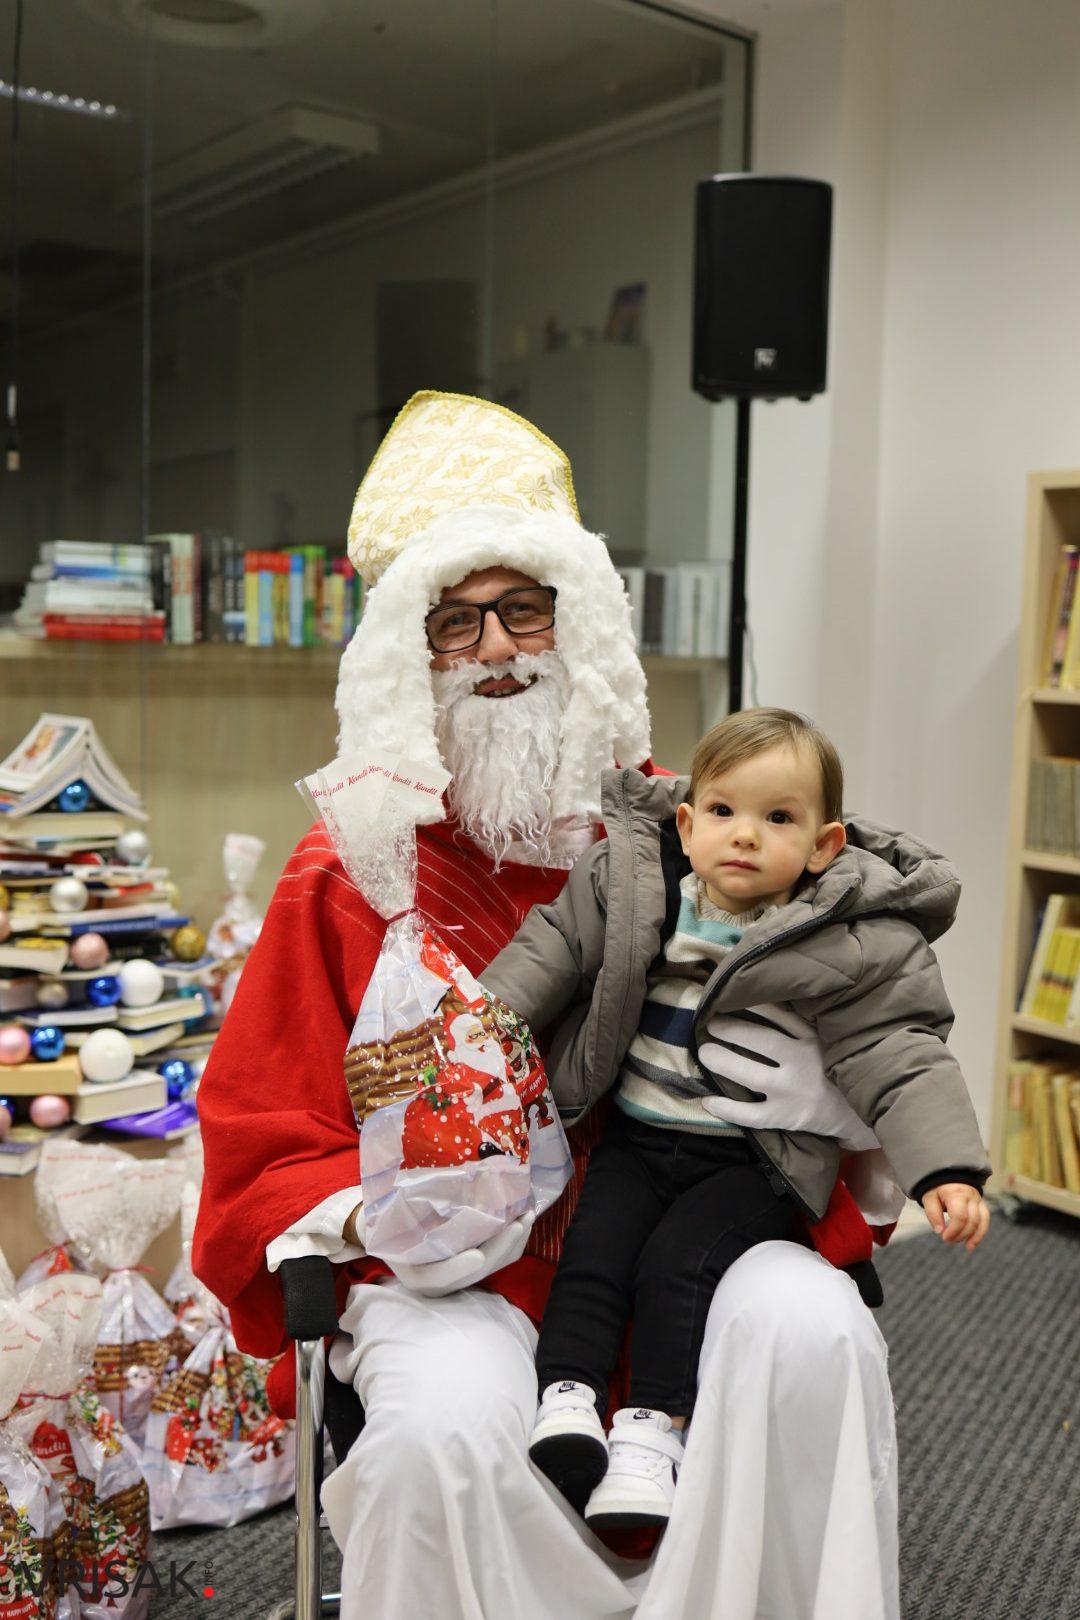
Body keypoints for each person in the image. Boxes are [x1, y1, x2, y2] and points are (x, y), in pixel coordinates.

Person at [193, 392, 903, 1620]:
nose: (501, 648)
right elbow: (264, 1128)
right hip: (460, 1278)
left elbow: (870, 951)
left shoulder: (693, 828)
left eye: (526, 609)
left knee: (815, 1333)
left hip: (693, 1210)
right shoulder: (348, 872)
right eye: (455, 622)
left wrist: (841, 1103)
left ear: (580, 631)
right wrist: (385, 1210)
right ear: (407, 661)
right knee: (436, 1434)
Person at [481, 707, 991, 1531]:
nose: (744, 836)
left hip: (753, 1162)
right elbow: (551, 949)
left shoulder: (856, 936)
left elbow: (902, 1051)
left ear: (825, 845)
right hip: (639, 1138)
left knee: (679, 1267)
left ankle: (650, 1438)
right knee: (595, 1252)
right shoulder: (637, 884)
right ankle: (565, 1399)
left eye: (777, 818)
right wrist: (477, 1021)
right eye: (723, 812)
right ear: (685, 823)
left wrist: (946, 1169)